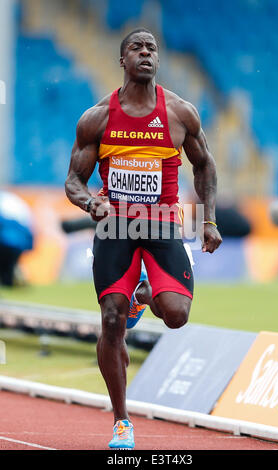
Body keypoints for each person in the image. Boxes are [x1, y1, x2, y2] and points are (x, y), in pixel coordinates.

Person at [65, 28, 222, 449]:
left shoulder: (180, 113)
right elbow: (73, 182)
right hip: (115, 225)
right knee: (112, 320)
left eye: (152, 48)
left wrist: (208, 219)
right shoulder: (97, 118)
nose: (146, 53)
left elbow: (204, 166)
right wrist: (90, 204)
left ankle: (145, 295)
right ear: (123, 60)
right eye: (136, 47)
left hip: (164, 224)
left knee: (176, 315)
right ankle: (121, 422)